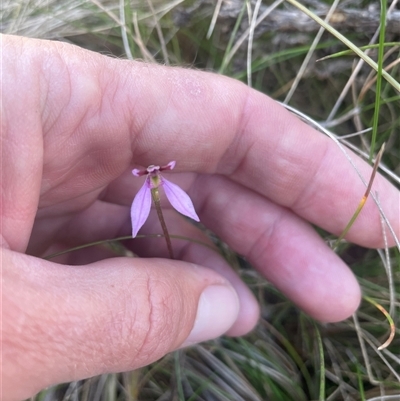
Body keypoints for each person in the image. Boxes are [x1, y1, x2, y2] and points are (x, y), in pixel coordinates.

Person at [1, 34, 398, 401]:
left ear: (162, 170)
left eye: (157, 173)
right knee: (150, 228)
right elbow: (145, 217)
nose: (154, 177)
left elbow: (183, 209)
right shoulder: (145, 193)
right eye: (149, 174)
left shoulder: (168, 191)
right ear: (144, 174)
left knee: (174, 230)